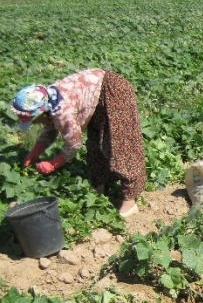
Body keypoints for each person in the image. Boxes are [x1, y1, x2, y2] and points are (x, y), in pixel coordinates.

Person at [11, 69, 146, 218]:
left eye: (34, 120)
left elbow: (74, 144)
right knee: (95, 143)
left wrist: (53, 164)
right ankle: (99, 191)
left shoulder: (62, 112)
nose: (35, 124)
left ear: (41, 113)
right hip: (96, 96)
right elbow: (50, 129)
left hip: (113, 90)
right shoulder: (49, 100)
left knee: (121, 144)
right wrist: (35, 152)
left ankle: (130, 200)